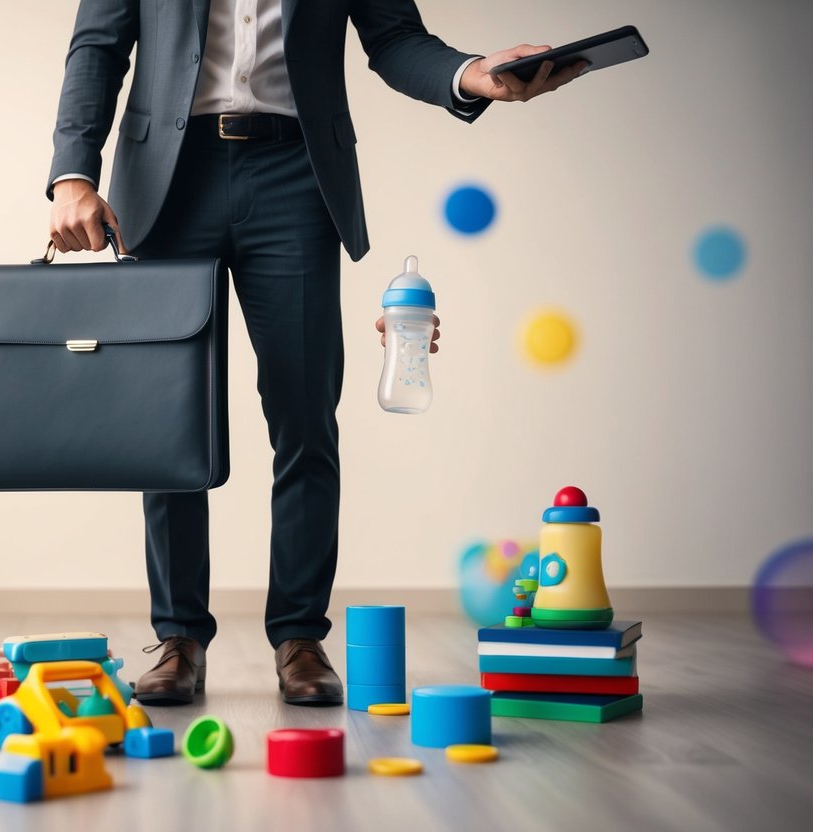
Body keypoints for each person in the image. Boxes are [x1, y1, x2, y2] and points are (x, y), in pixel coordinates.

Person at [46, 1, 584, 707]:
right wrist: (71, 174)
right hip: (168, 179)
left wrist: (471, 75)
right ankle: (178, 637)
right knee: (168, 427)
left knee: (305, 417)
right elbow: (97, 45)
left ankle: (298, 636)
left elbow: (393, 38)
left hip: (294, 175)